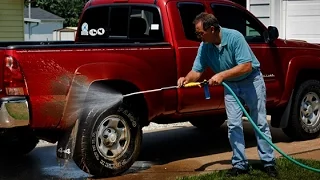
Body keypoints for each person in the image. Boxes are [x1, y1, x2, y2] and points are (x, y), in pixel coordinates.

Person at [177, 12, 278, 177]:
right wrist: (186, 79)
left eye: (200, 33)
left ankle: (268, 163)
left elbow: (246, 66)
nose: (198, 36)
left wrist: (222, 75)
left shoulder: (235, 37)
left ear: (211, 29)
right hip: (231, 85)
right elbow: (197, 70)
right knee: (233, 125)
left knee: (259, 122)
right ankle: (240, 164)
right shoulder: (204, 46)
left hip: (251, 81)